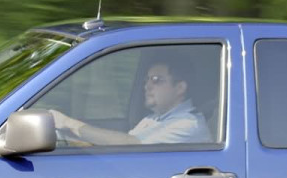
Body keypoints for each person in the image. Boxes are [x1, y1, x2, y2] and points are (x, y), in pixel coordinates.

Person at [48, 59, 211, 145]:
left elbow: (131, 144)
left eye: (156, 80)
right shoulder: (154, 118)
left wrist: (68, 123)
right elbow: (124, 146)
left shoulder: (188, 124)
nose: (147, 86)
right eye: (147, 79)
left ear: (180, 87)